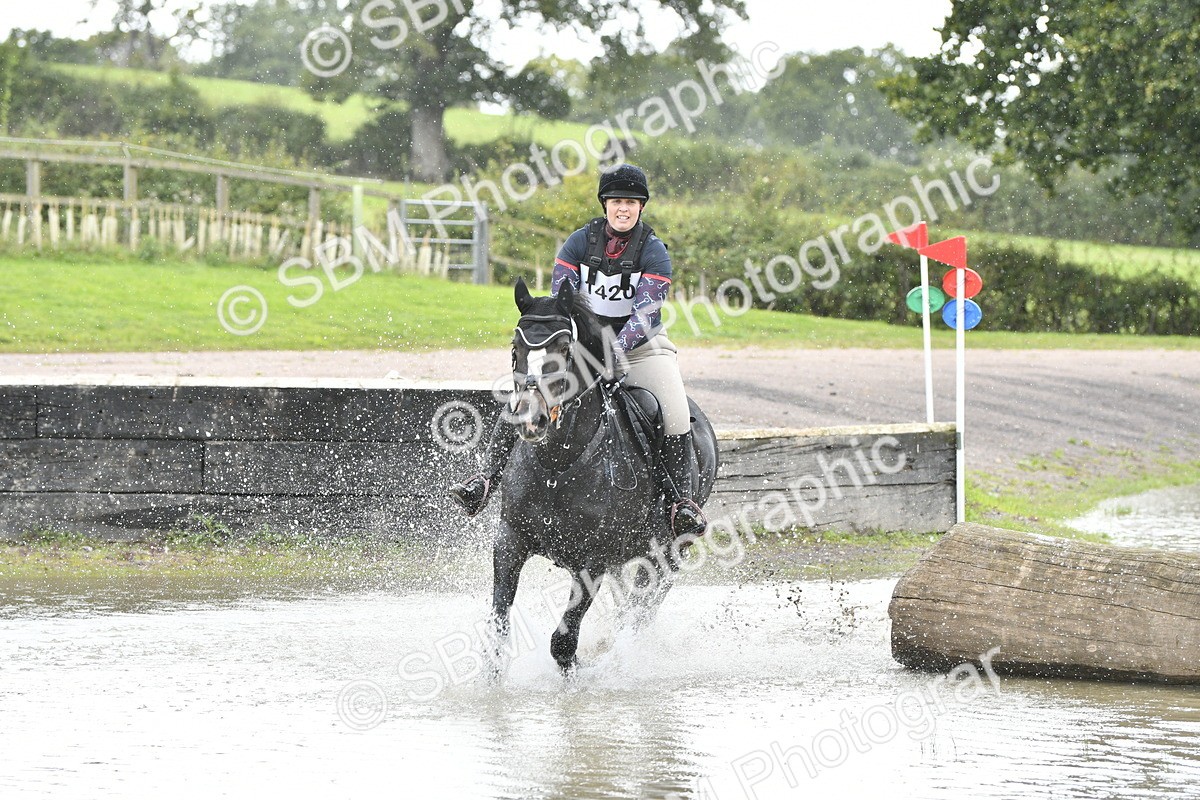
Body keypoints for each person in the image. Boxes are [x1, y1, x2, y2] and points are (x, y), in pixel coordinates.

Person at [449, 164, 708, 538]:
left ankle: (680, 503)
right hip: (585, 348)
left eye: (631, 203)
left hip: (642, 348)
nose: (624, 209)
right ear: (605, 205)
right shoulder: (578, 243)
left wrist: (614, 351)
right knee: (529, 396)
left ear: (641, 208)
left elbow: (644, 314)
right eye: (617, 201)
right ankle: (484, 482)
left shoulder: (654, 251)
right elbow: (562, 302)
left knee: (675, 413)